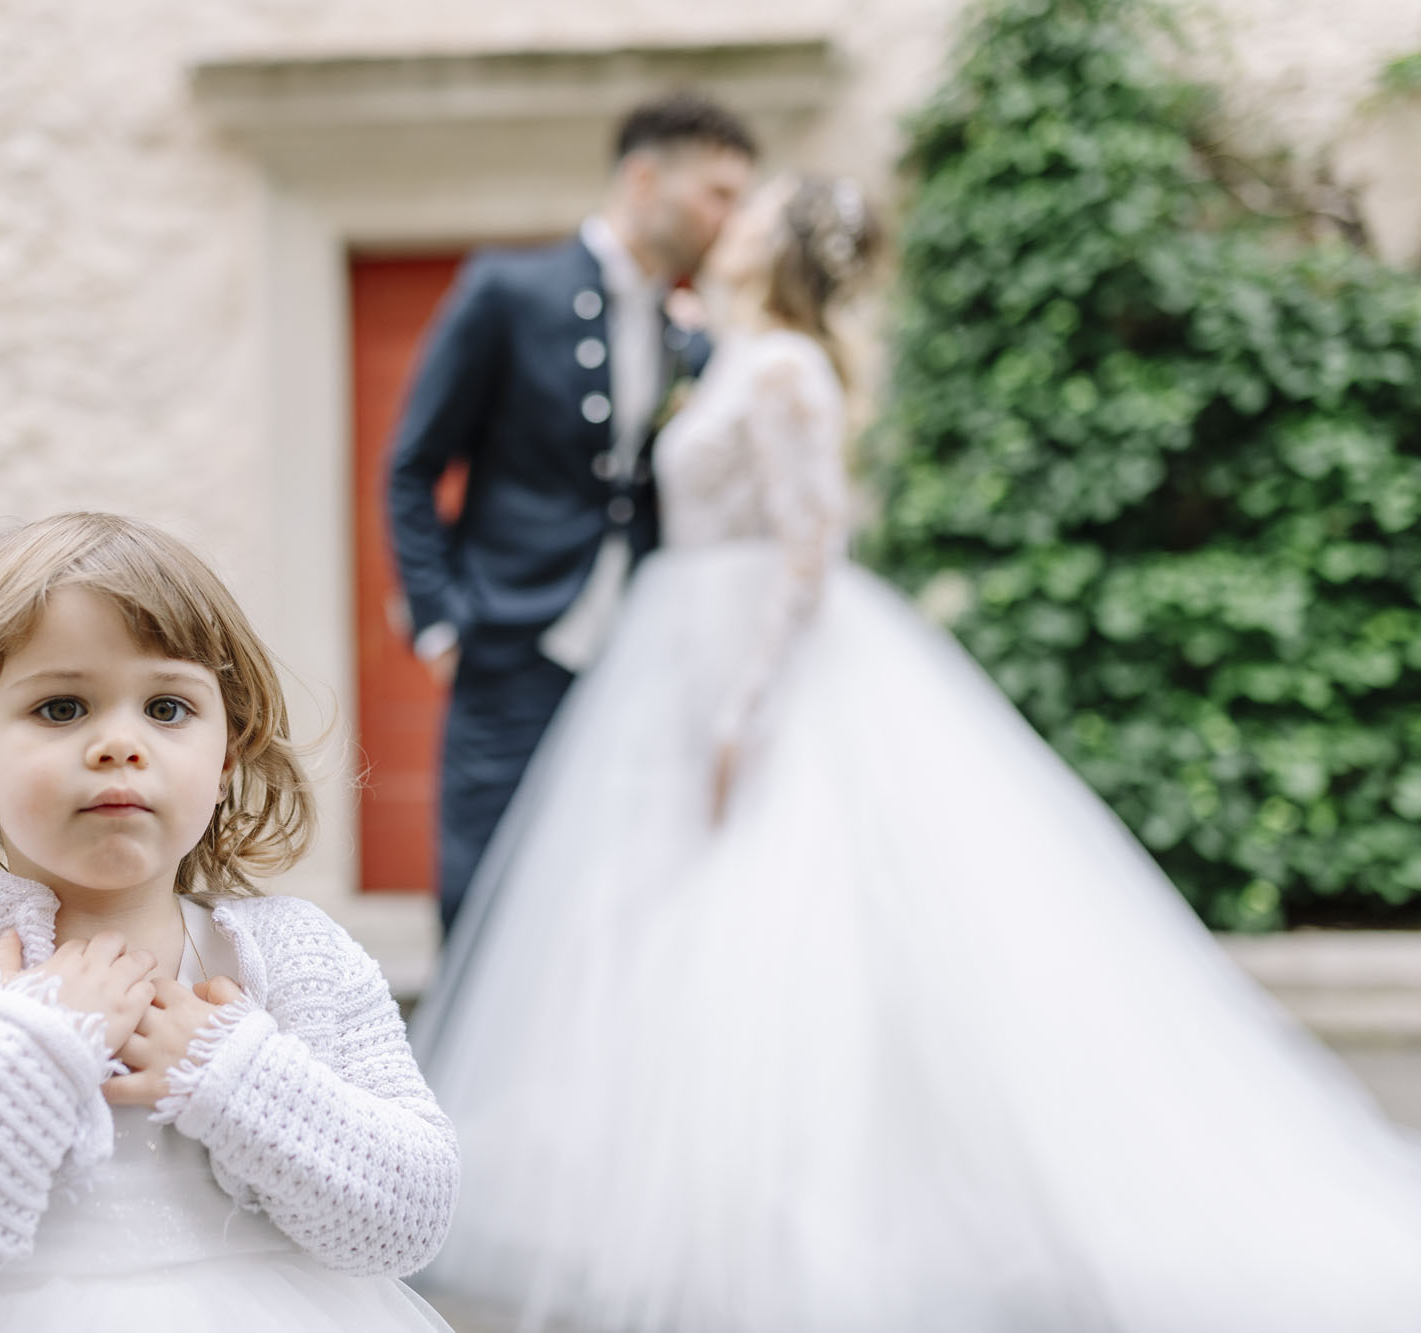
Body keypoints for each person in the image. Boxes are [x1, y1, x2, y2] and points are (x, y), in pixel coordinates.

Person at [410, 177, 1421, 1331]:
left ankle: (799, 1216)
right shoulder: (737, 349)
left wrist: (741, 710)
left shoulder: (786, 368)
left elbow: (808, 542)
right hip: (674, 655)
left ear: (778, 247)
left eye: (756, 209)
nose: (731, 216)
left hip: (750, 660)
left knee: (775, 926)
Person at [0, 512, 458, 1332]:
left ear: (227, 754)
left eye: (167, 706)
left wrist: (239, 1071)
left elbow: (414, 1220)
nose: (119, 743)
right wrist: (32, 1050)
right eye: (62, 707)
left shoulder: (296, 958)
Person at [386, 91, 757, 932]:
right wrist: (441, 621)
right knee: (481, 888)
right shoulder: (508, 291)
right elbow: (413, 465)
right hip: (513, 640)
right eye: (718, 194)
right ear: (644, 177)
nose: (731, 219)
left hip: (640, 651)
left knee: (617, 884)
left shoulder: (688, 335)